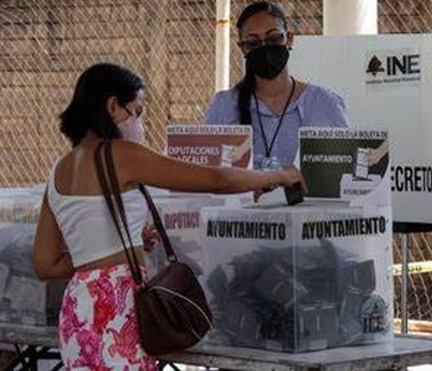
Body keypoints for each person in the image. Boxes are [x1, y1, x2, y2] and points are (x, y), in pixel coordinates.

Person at [32, 63, 305, 370]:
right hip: (116, 305)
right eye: (136, 111)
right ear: (112, 106)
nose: (140, 123)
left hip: (77, 310)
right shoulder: (120, 154)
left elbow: (46, 264)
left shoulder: (58, 172)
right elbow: (218, 180)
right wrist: (278, 175)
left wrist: (110, 253)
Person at [203, 1, 349, 170]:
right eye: (253, 43)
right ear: (242, 48)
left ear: (289, 39)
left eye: (273, 38)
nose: (265, 47)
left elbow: (341, 170)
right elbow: (209, 173)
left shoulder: (324, 104)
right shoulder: (223, 106)